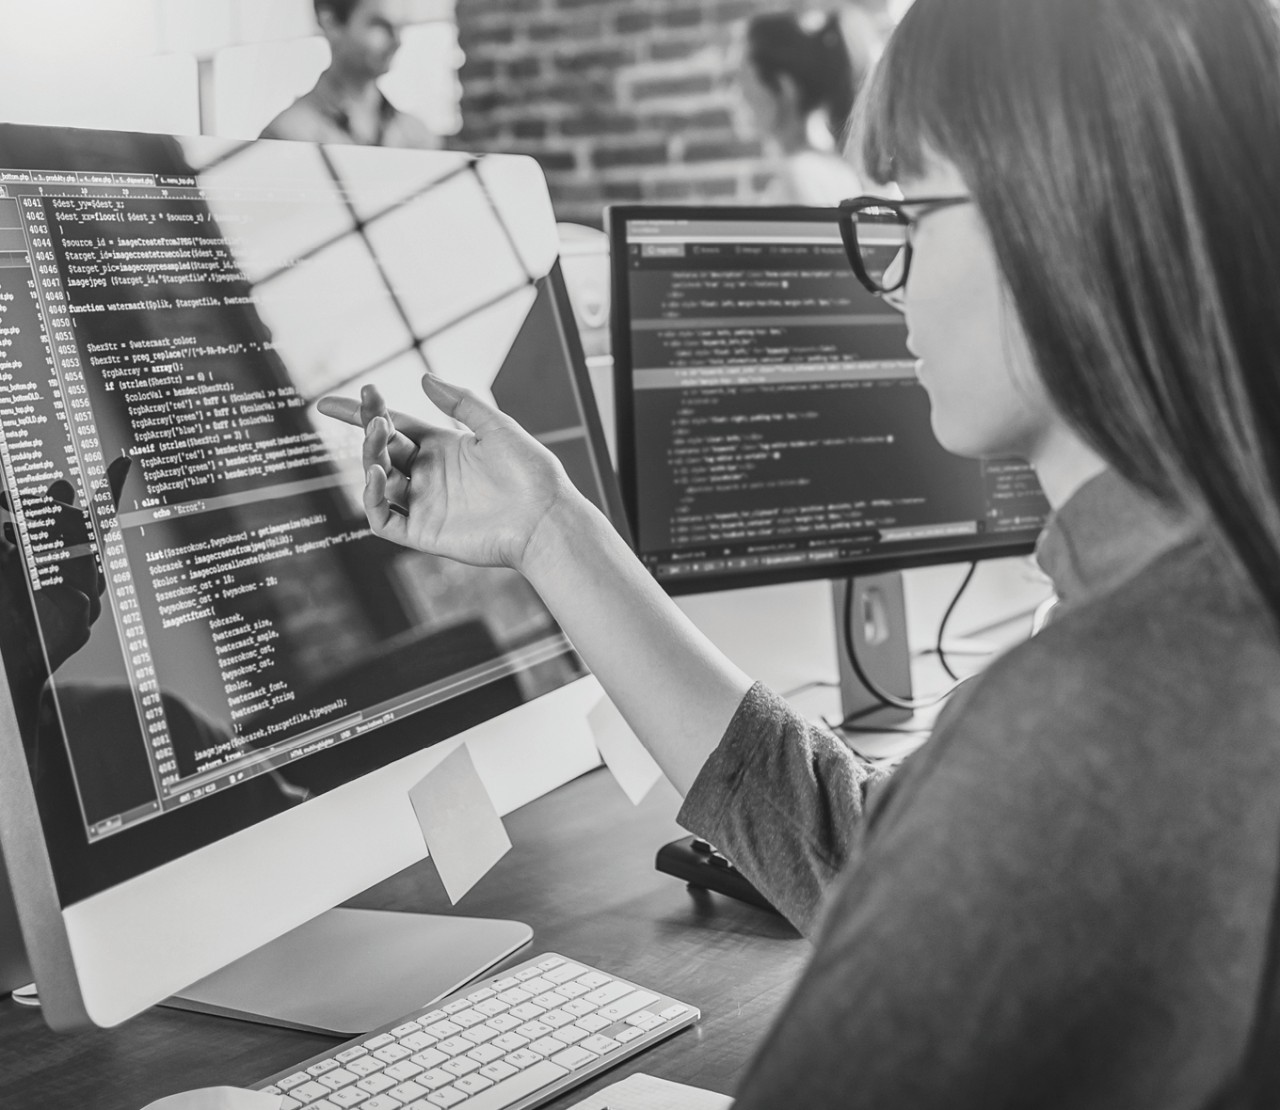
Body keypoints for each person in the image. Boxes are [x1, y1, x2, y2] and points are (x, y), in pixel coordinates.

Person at [320, 0, 1280, 1104]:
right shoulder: (1202, 609)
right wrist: (549, 527)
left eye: (911, 208)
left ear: (1064, 215)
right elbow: (883, 863)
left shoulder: (1082, 729)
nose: (889, 275)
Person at [260, 0, 437, 149]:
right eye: (381, 25)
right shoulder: (286, 137)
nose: (398, 41)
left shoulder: (419, 137)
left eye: (400, 26)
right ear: (330, 21)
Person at [734, 10, 867, 204]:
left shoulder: (799, 178)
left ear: (784, 87)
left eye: (745, 79)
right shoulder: (832, 169)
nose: (740, 94)